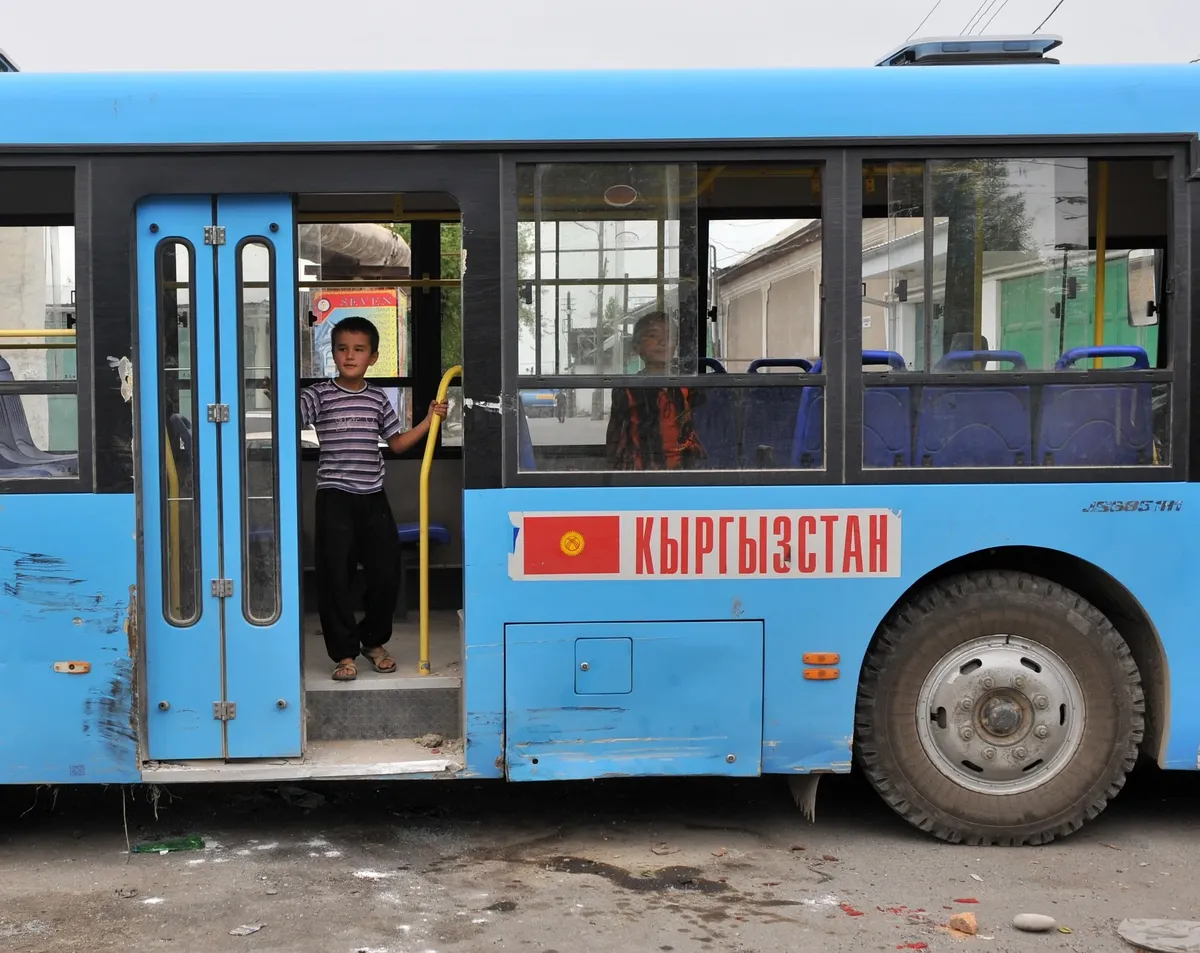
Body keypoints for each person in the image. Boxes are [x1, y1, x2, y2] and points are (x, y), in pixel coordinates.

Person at [302, 315, 447, 681]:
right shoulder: (318, 395)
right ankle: (344, 654)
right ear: (333, 354)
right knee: (335, 577)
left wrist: (429, 421)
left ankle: (372, 640)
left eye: (359, 349)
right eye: (342, 349)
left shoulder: (378, 397)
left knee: (386, 574)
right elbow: (288, 420)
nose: (349, 356)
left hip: (372, 497)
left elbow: (396, 444)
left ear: (374, 357)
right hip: (334, 497)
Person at [605, 310, 705, 470]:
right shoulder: (627, 390)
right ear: (637, 347)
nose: (663, 342)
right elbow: (616, 438)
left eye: (670, 336)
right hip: (643, 472)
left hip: (685, 471)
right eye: (653, 335)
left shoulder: (687, 385)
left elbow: (696, 429)